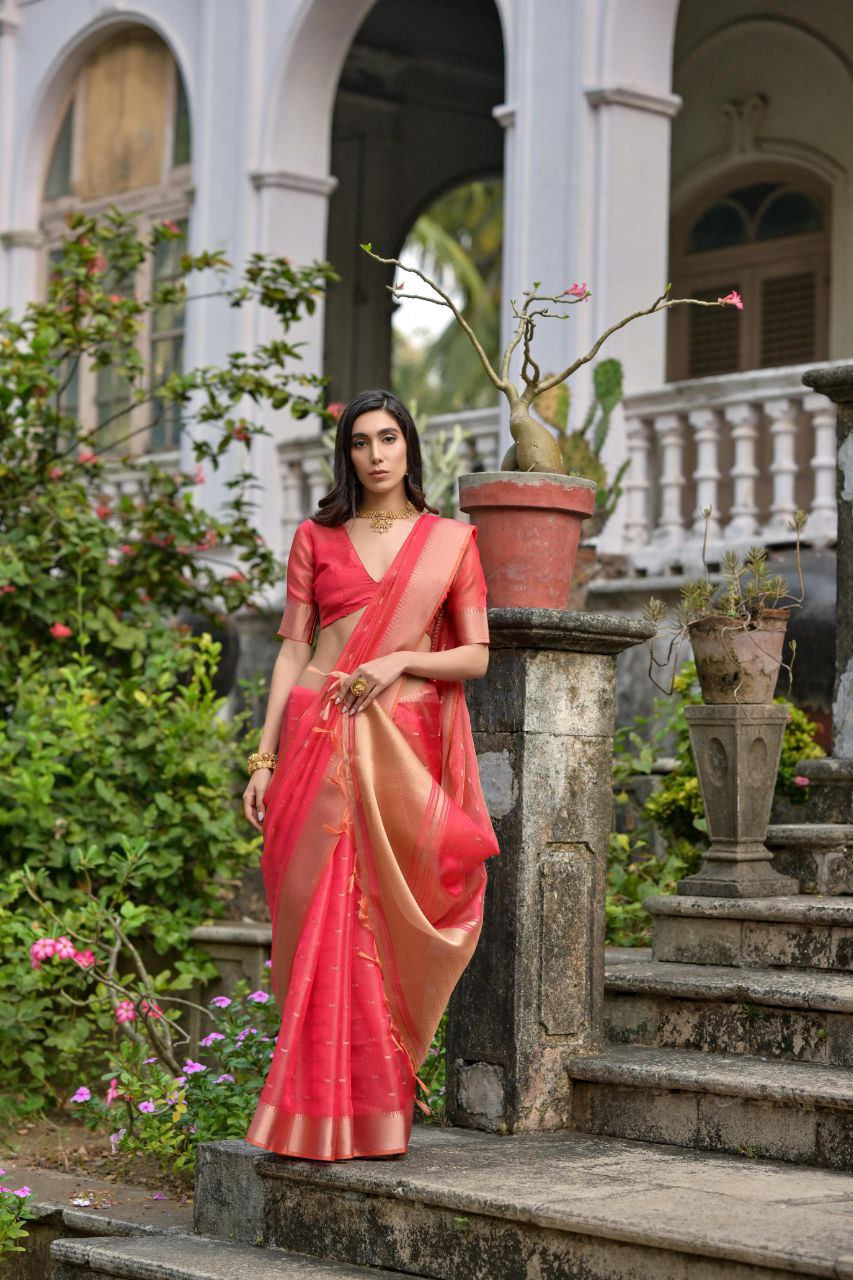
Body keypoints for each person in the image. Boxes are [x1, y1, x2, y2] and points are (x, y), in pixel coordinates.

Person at [242, 388, 500, 1161]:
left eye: (389, 438)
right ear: (347, 454)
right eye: (361, 442)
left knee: (379, 923)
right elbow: (293, 649)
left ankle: (375, 1117)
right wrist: (263, 757)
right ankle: (307, 1115)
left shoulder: (449, 542)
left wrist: (399, 658)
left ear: (410, 446)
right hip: (315, 740)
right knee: (314, 918)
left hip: (400, 746)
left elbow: (476, 655)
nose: (376, 454)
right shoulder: (316, 539)